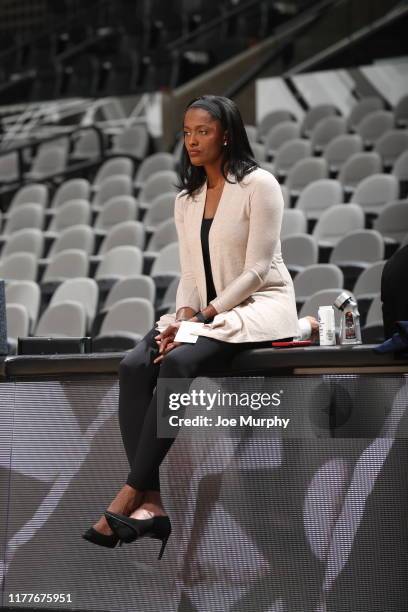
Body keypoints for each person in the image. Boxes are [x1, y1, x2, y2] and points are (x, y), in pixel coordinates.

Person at [82, 94, 300, 559]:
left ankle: (129, 494)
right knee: (135, 363)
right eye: (186, 132)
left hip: (257, 305)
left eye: (202, 131)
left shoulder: (260, 185)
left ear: (226, 134)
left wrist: (199, 321)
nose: (193, 141)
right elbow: (187, 276)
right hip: (204, 314)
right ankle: (154, 502)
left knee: (178, 363)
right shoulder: (187, 199)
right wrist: (182, 318)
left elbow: (258, 270)